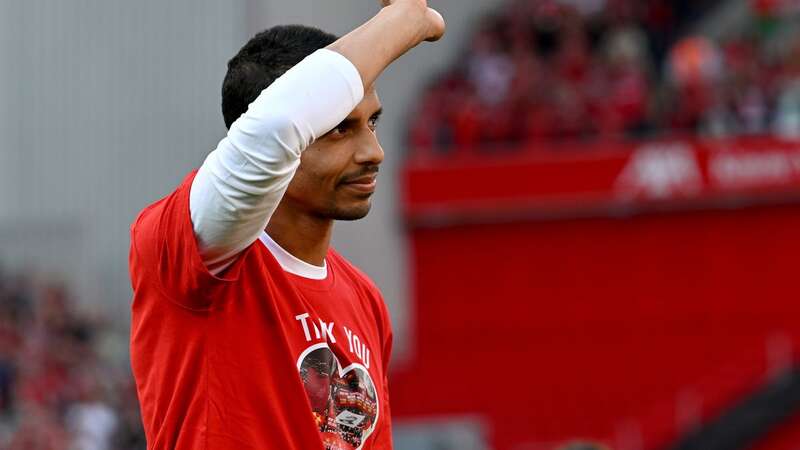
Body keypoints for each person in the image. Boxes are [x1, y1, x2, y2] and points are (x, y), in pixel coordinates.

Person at [127, 1, 445, 448]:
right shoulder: (188, 250)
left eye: (371, 123)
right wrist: (401, 24)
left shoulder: (365, 299)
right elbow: (278, 124)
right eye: (338, 129)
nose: (373, 151)